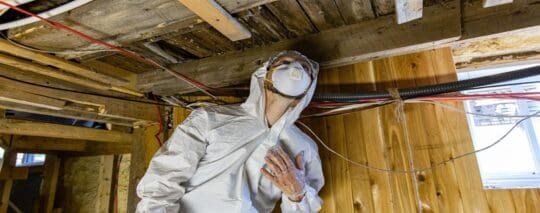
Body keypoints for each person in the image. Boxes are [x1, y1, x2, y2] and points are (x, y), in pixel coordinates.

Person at [136, 51, 324, 213]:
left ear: (306, 91)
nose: (295, 69)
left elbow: (305, 207)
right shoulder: (209, 119)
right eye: (284, 63)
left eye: (305, 69)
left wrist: (297, 196)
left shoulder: (304, 148)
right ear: (265, 76)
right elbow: (164, 178)